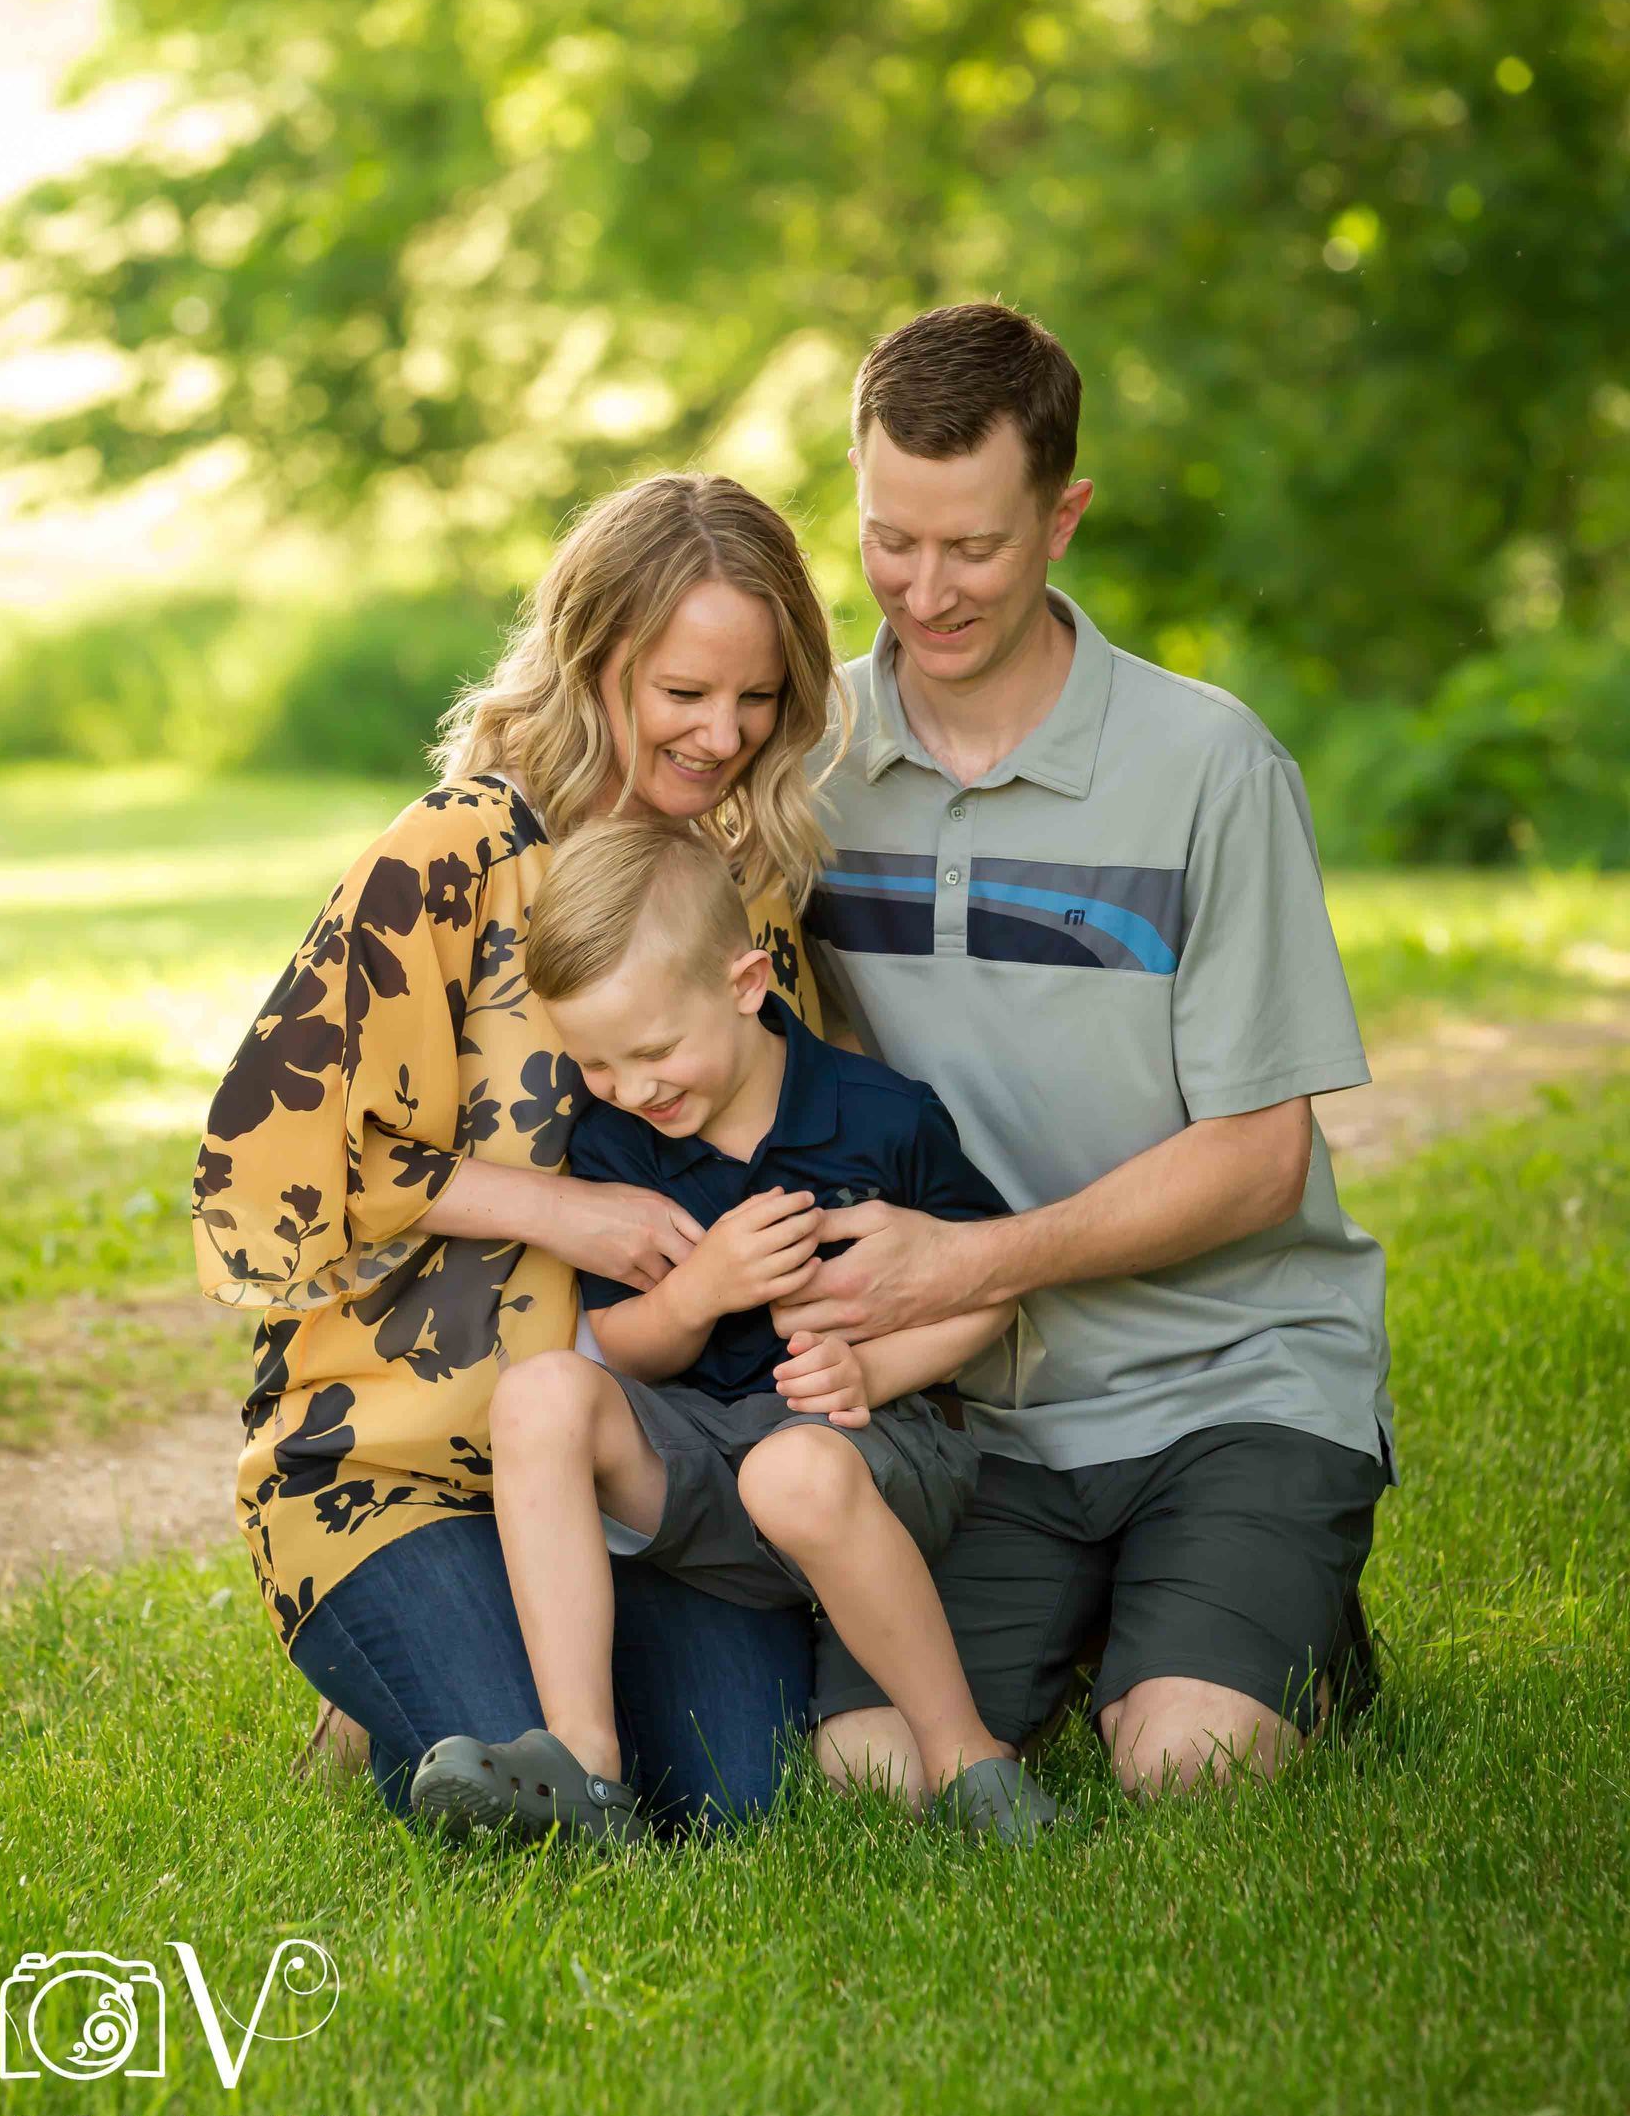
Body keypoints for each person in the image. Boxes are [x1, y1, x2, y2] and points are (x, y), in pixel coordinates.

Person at [784, 300, 1394, 1806]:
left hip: (1232, 1373)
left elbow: (1259, 1162)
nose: (924, 590)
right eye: (888, 538)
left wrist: (972, 1263)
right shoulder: (810, 762)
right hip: (982, 1405)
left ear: (1062, 518)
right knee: (872, 1776)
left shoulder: (1209, 766)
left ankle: (1273, 1626)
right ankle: (1151, 1620)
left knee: (1187, 1762)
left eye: (973, 547)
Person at [191, 472, 850, 1832]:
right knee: (528, 1788)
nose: (725, 735)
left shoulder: (742, 886)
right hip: (397, 1455)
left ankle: (443, 1676)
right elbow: (286, 1154)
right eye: (685, 692)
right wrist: (571, 1211)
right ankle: (402, 1655)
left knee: (741, 1791)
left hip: (634, 1468)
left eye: (759, 697)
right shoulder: (457, 851)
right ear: (594, 656)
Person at [407, 818, 1060, 1848]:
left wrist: (872, 1363)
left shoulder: (878, 1116)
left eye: (655, 1049)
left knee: (792, 1472)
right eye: (597, 1063)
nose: (631, 1086)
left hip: (876, 1459)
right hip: (709, 1464)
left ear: (747, 981)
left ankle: (969, 1759)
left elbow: (993, 1287)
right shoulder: (616, 1140)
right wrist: (696, 1291)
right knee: (540, 1392)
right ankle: (585, 1762)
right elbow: (623, 1347)